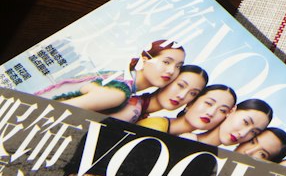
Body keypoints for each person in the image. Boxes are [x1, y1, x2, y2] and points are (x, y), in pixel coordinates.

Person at [39, 40, 185, 116]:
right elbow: (55, 112)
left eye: (178, 66)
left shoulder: (119, 77)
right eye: (166, 62)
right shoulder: (118, 92)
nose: (172, 71)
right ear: (145, 59)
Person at [109, 64, 208, 123]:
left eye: (193, 93)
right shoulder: (133, 109)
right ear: (168, 80)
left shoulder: (140, 108)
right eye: (181, 85)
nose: (182, 96)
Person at [194, 98, 273, 149]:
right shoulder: (187, 139)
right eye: (246, 122)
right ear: (232, 110)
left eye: (254, 132)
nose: (243, 134)